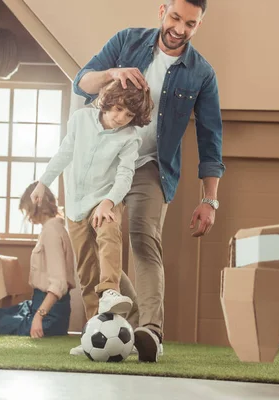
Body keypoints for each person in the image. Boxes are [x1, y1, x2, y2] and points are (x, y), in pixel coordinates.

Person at [72, 0, 225, 362]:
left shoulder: (201, 73)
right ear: (162, 11)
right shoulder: (127, 41)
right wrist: (113, 73)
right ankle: (119, 326)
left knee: (142, 238)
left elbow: (211, 137)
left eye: (191, 23)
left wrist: (210, 199)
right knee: (96, 244)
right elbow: (82, 83)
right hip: (105, 159)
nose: (180, 29)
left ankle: (150, 334)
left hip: (151, 166)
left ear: (198, 24)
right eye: (175, 18)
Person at [30, 80, 153, 349]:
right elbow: (64, 153)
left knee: (109, 236)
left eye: (129, 115)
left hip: (106, 200)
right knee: (86, 272)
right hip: (75, 205)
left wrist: (109, 202)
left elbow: (125, 174)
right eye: (118, 109)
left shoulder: (130, 137)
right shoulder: (80, 120)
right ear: (108, 102)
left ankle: (110, 290)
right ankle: (92, 336)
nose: (121, 118)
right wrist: (43, 182)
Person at [0, 182, 74, 337]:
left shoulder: (51, 231)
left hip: (49, 317)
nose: (27, 215)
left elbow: (59, 284)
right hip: (44, 308)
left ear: (36, 204)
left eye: (27, 209)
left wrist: (38, 318)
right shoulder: (54, 227)